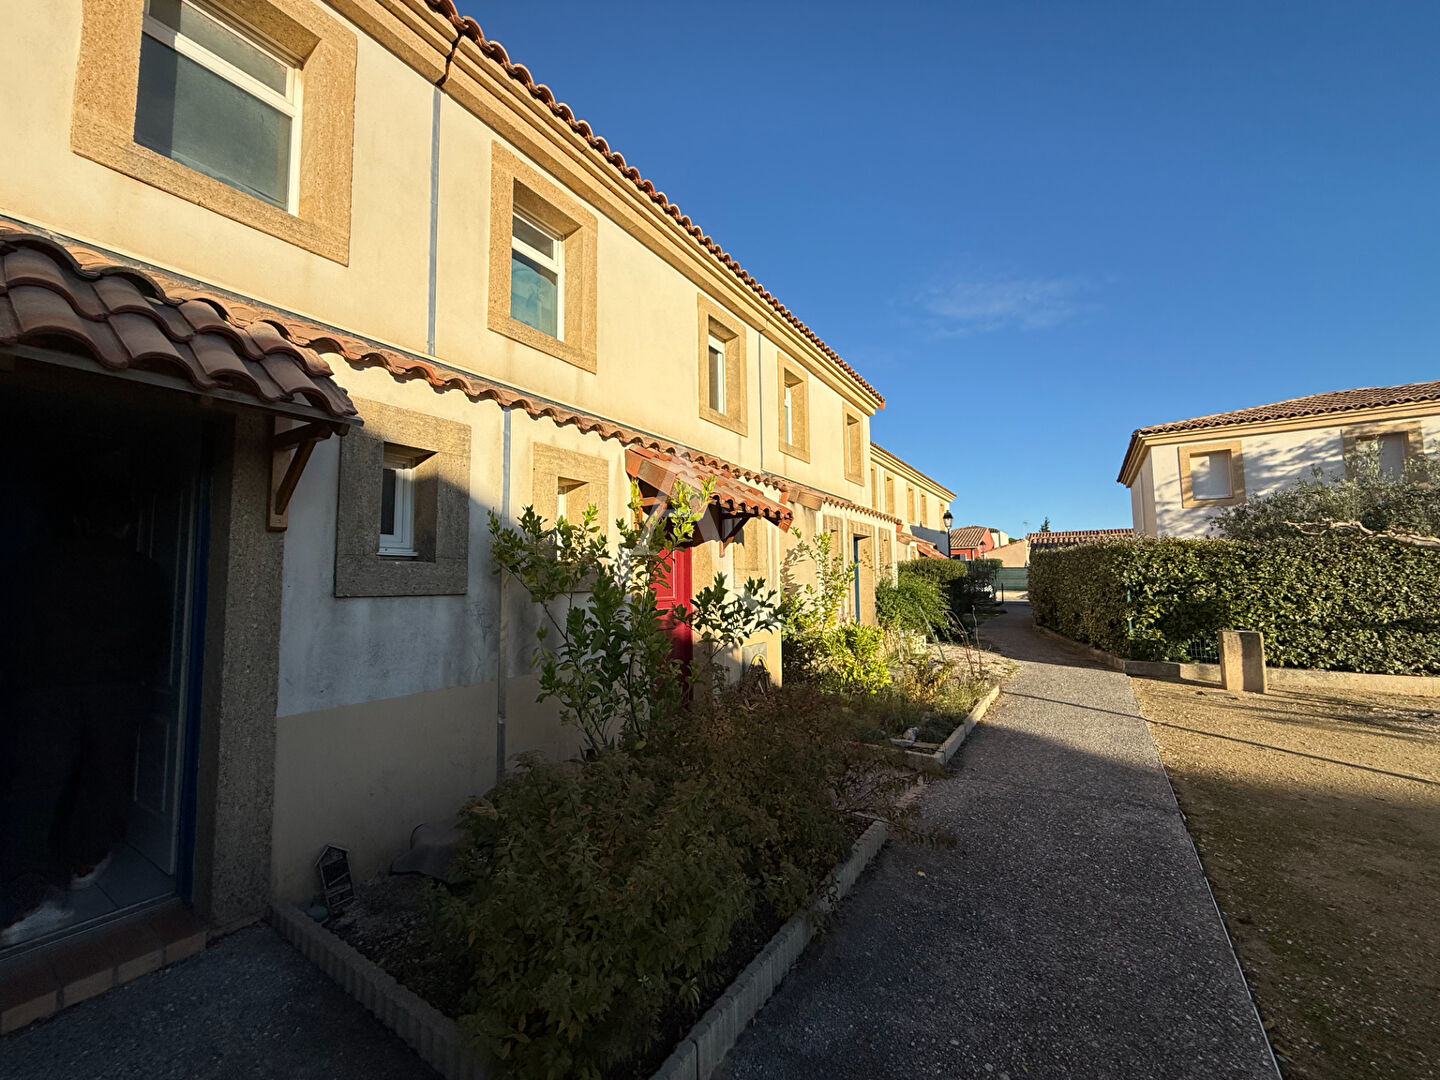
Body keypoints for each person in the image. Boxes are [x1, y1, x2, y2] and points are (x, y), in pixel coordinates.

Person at [0, 456, 168, 947]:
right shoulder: (147, 572)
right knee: (104, 777)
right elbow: (156, 637)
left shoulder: (38, 566)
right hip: (116, 692)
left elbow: (14, 630)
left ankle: (19, 902)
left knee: (33, 788)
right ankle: (84, 861)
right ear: (128, 524)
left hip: (44, 692)